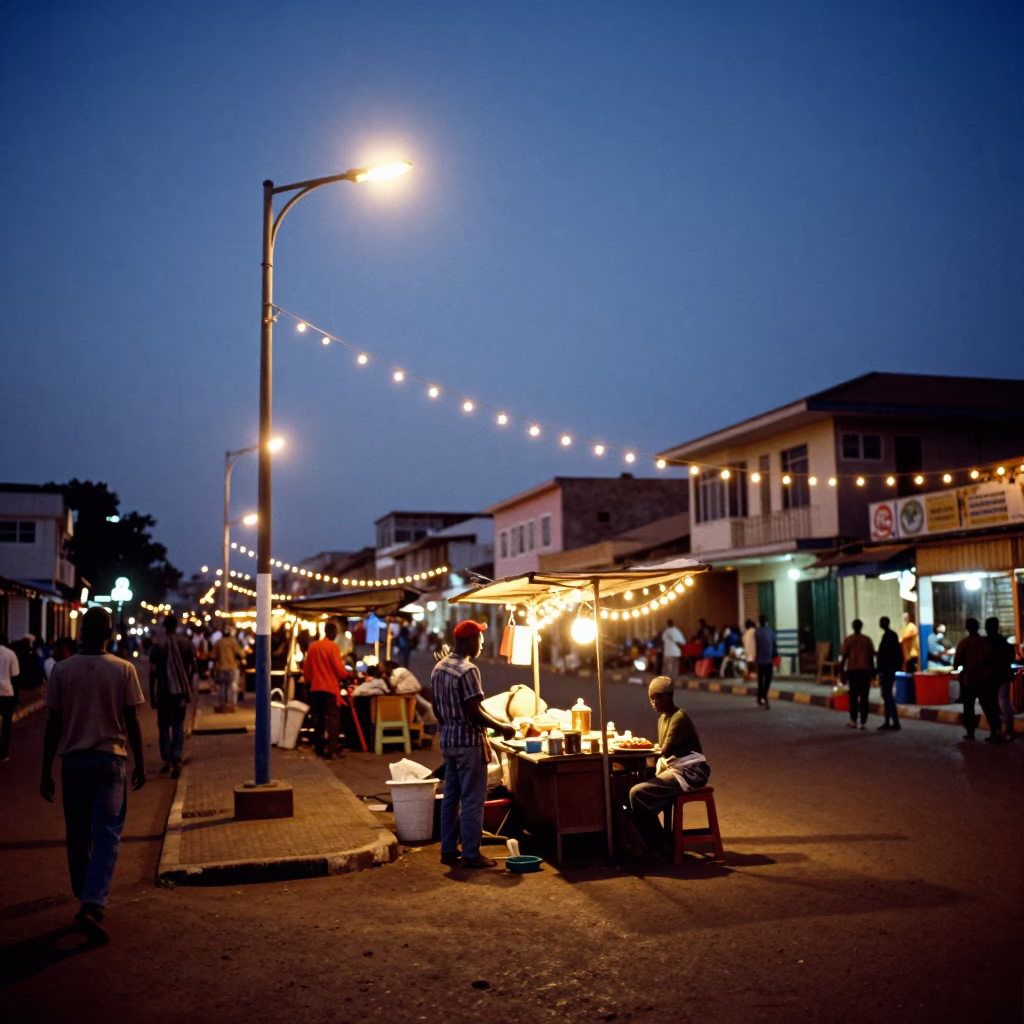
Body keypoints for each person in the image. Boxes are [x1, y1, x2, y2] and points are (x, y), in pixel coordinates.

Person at [39, 607, 146, 943]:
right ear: (110, 634)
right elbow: (132, 722)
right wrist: (140, 763)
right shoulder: (124, 669)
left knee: (77, 833)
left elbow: (53, 725)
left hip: (72, 763)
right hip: (110, 762)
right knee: (107, 834)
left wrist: (45, 770)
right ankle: (92, 902)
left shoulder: (61, 670)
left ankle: (84, 896)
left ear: (81, 631)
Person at [431, 620, 515, 869]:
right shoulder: (468, 670)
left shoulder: (439, 668)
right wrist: (502, 727)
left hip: (448, 741)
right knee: (472, 800)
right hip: (468, 743)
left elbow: (437, 709)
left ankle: (447, 850)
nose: (481, 644)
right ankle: (470, 854)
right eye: (479, 639)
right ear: (469, 641)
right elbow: (473, 711)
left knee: (451, 797)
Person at [628, 676, 709, 860]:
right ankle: (657, 840)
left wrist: (639, 746)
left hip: (689, 771)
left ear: (668, 697)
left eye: (657, 697)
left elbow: (664, 750)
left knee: (638, 793)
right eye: (651, 698)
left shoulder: (679, 717)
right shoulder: (662, 719)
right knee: (633, 782)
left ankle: (660, 844)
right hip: (674, 767)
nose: (654, 702)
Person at [148, 615, 194, 778]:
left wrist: (152, 694)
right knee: (178, 725)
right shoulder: (186, 643)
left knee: (164, 726)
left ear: (164, 627)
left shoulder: (158, 645)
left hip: (163, 693)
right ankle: (176, 757)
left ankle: (167, 758)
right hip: (180, 693)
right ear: (177, 626)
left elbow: (152, 672)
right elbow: (192, 668)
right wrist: (187, 685)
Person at [303, 622, 350, 759]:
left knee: (318, 719)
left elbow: (307, 670)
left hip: (316, 689)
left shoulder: (313, 647)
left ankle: (318, 748)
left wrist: (308, 683)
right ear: (333, 633)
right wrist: (347, 675)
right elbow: (338, 669)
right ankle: (331, 750)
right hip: (330, 689)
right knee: (333, 720)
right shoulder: (333, 647)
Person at [954, 618, 1002, 743]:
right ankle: (995, 730)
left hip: (970, 680)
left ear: (967, 628)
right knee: (988, 706)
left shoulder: (964, 643)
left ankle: (971, 733)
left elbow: (957, 662)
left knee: (969, 707)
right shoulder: (985, 642)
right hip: (986, 679)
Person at [839, 619, 875, 730]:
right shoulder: (867, 640)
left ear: (853, 627)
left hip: (853, 671)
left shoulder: (849, 640)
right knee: (864, 697)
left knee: (853, 697)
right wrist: (873, 672)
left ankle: (853, 720)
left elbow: (844, 657)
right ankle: (863, 722)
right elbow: (871, 657)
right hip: (865, 671)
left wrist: (841, 673)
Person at [986, 617, 1015, 743]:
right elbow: (1011, 656)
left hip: (992, 676)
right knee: (1004, 702)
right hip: (1003, 675)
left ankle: (998, 731)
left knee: (996, 704)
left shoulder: (987, 642)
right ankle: (1007, 731)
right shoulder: (1003, 641)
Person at [876, 617, 903, 731]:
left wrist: (880, 668)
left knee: (887, 696)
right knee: (886, 696)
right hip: (889, 669)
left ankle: (894, 721)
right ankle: (888, 721)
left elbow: (885, 655)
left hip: (887, 670)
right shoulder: (891, 635)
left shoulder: (888, 636)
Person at [211, 625, 246, 712]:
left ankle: (222, 704)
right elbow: (241, 654)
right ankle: (231, 705)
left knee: (222, 687)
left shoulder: (218, 642)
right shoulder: (233, 642)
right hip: (232, 667)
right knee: (232, 686)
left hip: (221, 668)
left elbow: (212, 655)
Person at [0, 632, 21, 762]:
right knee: (6, 725)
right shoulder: (10, 654)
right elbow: (15, 678)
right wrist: (16, 699)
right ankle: (3, 753)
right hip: (7, 692)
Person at [753, 615, 777, 709]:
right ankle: (764, 696)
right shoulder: (770, 632)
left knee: (761, 680)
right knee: (767, 680)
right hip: (768, 661)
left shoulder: (757, 632)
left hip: (760, 661)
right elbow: (774, 646)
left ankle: (761, 697)